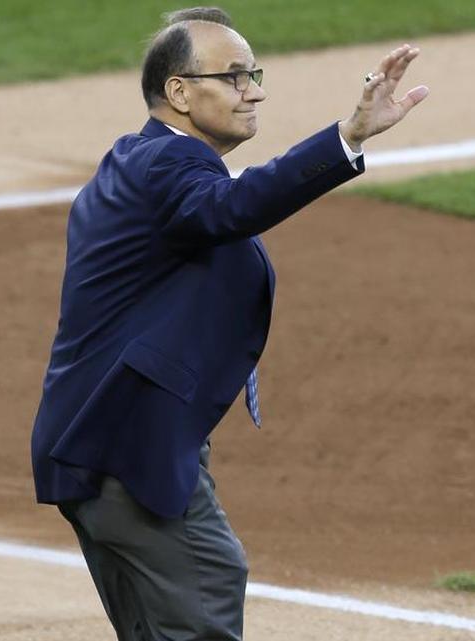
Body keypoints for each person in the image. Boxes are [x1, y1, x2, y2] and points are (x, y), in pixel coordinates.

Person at [28, 6, 428, 639]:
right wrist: (347, 135)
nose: (256, 90)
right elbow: (234, 207)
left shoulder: (140, 164)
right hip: (129, 446)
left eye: (254, 73)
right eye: (236, 76)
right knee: (209, 581)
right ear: (180, 91)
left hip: (101, 439)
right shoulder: (167, 167)